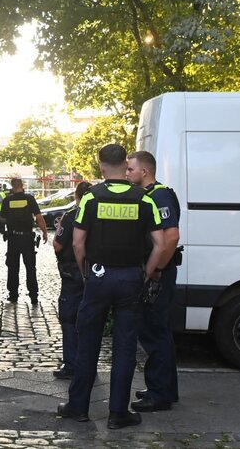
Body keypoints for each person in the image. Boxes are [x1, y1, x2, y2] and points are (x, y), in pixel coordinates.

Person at [57, 144, 166, 430]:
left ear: (102, 165)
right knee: (125, 347)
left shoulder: (91, 198)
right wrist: (147, 273)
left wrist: (85, 273)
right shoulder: (144, 199)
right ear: (124, 164)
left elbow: (77, 243)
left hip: (97, 276)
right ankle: (118, 413)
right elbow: (160, 244)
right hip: (130, 278)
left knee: (87, 343)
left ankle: (78, 407)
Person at [126, 150, 182, 412]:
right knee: (157, 332)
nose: (127, 174)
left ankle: (160, 394)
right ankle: (163, 388)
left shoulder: (159, 196)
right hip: (156, 272)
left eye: (130, 169)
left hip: (159, 274)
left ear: (144, 171)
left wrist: (156, 270)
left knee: (155, 332)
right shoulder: (149, 196)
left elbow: (171, 238)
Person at [52, 180, 93, 379]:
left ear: (76, 196)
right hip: (94, 272)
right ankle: (88, 365)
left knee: (69, 319)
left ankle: (71, 365)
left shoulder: (70, 216)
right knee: (90, 320)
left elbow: (58, 245)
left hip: (72, 272)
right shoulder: (97, 213)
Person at [0, 177, 49, 304]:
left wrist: (11, 217)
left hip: (13, 238)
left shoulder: (7, 200)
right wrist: (44, 231)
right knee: (31, 267)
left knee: (13, 267)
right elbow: (39, 217)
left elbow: (2, 218)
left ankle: (13, 295)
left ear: (12, 186)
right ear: (22, 185)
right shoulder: (29, 199)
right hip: (27, 238)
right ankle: (33, 295)